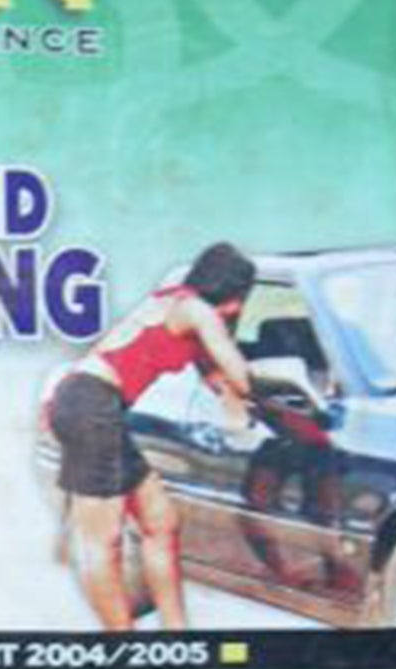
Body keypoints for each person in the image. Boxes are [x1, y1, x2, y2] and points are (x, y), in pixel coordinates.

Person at [46, 241, 258, 630]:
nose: (240, 309)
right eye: (241, 298)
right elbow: (241, 377)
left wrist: (228, 396)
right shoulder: (197, 311)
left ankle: (176, 636)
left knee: (161, 522)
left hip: (92, 405)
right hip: (91, 404)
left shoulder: (178, 302)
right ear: (231, 292)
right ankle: (124, 650)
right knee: (103, 541)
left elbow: (214, 375)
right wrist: (248, 384)